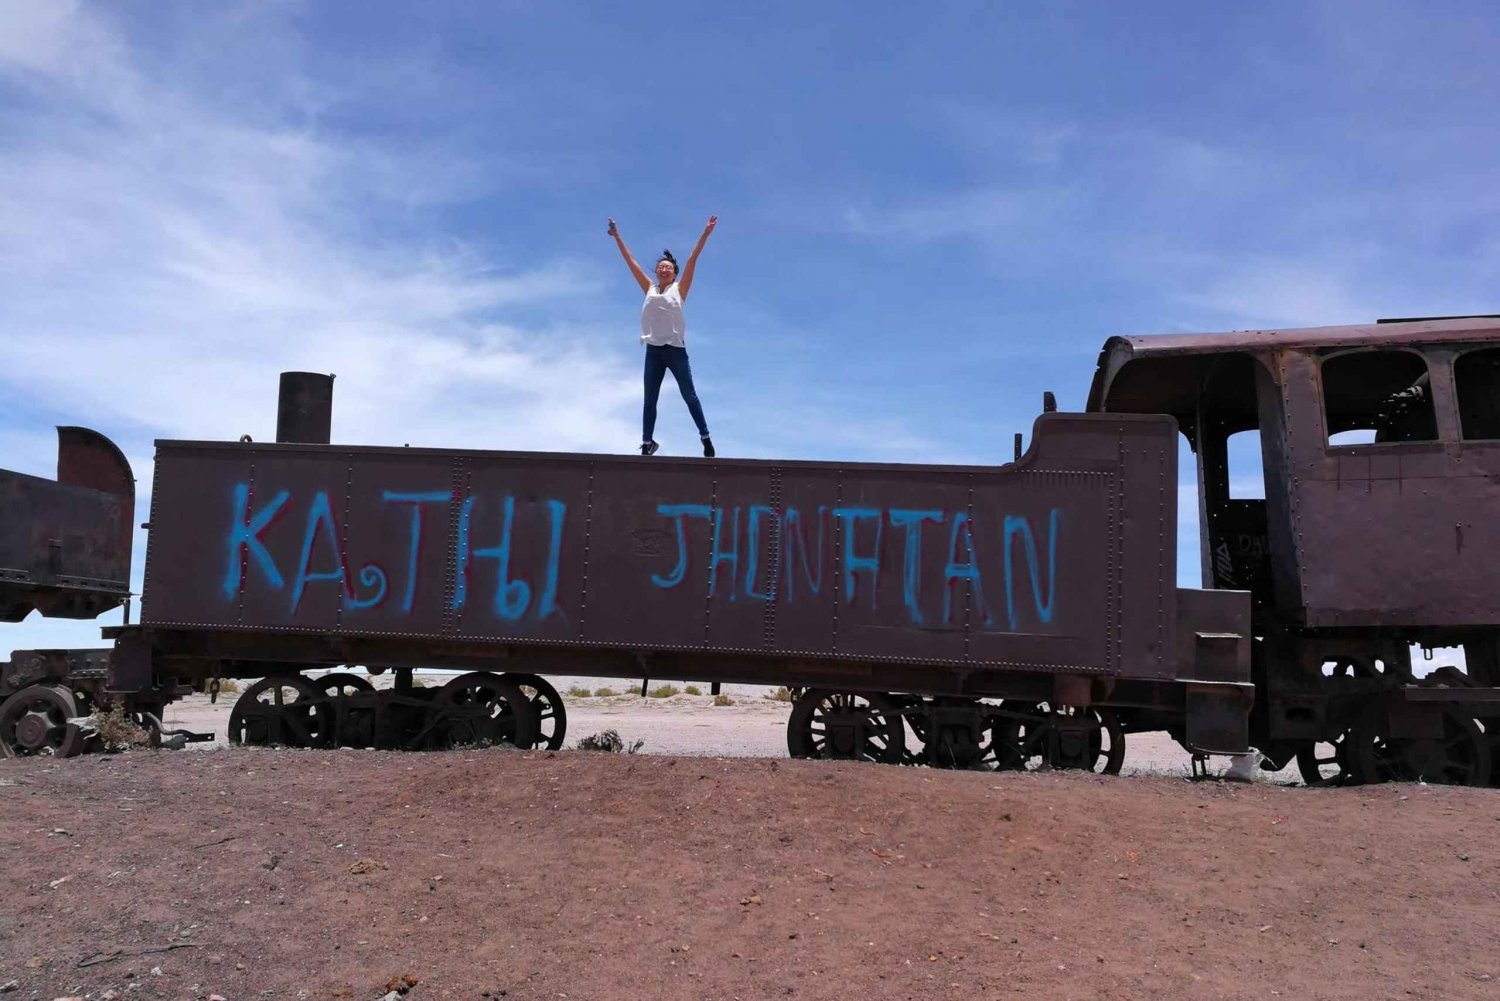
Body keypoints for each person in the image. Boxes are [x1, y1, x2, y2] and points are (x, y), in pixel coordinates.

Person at [608, 215, 718, 457]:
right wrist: (617, 237)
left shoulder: (681, 288)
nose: (664, 268)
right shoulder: (649, 288)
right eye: (661, 266)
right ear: (657, 271)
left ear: (674, 272)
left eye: (668, 266)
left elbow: (693, 258)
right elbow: (630, 261)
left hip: (675, 350)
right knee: (650, 399)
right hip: (653, 350)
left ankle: (706, 437)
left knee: (689, 395)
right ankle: (647, 443)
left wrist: (706, 234)